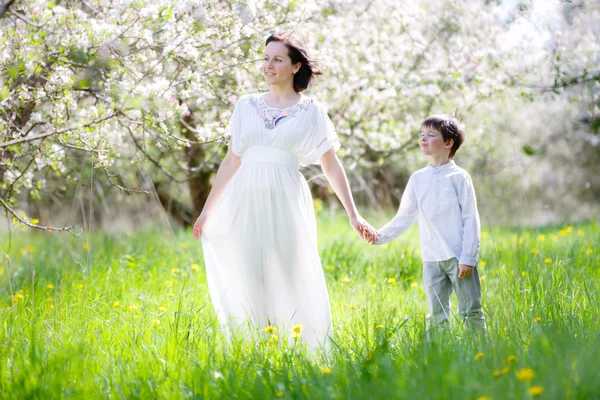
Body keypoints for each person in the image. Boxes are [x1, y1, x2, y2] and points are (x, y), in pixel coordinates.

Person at [193, 33, 377, 349]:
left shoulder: (311, 111)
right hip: (244, 196)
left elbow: (330, 164)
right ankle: (253, 347)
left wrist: (353, 214)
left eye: (277, 59)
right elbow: (231, 160)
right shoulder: (245, 105)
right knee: (249, 272)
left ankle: (298, 347)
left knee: (290, 272)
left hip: (286, 198)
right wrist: (207, 211)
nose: (268, 65)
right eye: (266, 58)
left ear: (295, 66)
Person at [365, 114, 486, 332]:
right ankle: (438, 357)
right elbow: (405, 216)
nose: (423, 139)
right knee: (436, 315)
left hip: (459, 256)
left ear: (448, 143)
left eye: (430, 135)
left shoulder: (459, 177)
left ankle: (479, 353)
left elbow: (471, 218)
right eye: (422, 134)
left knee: (471, 311)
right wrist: (379, 236)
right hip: (432, 259)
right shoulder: (417, 179)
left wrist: (468, 257)